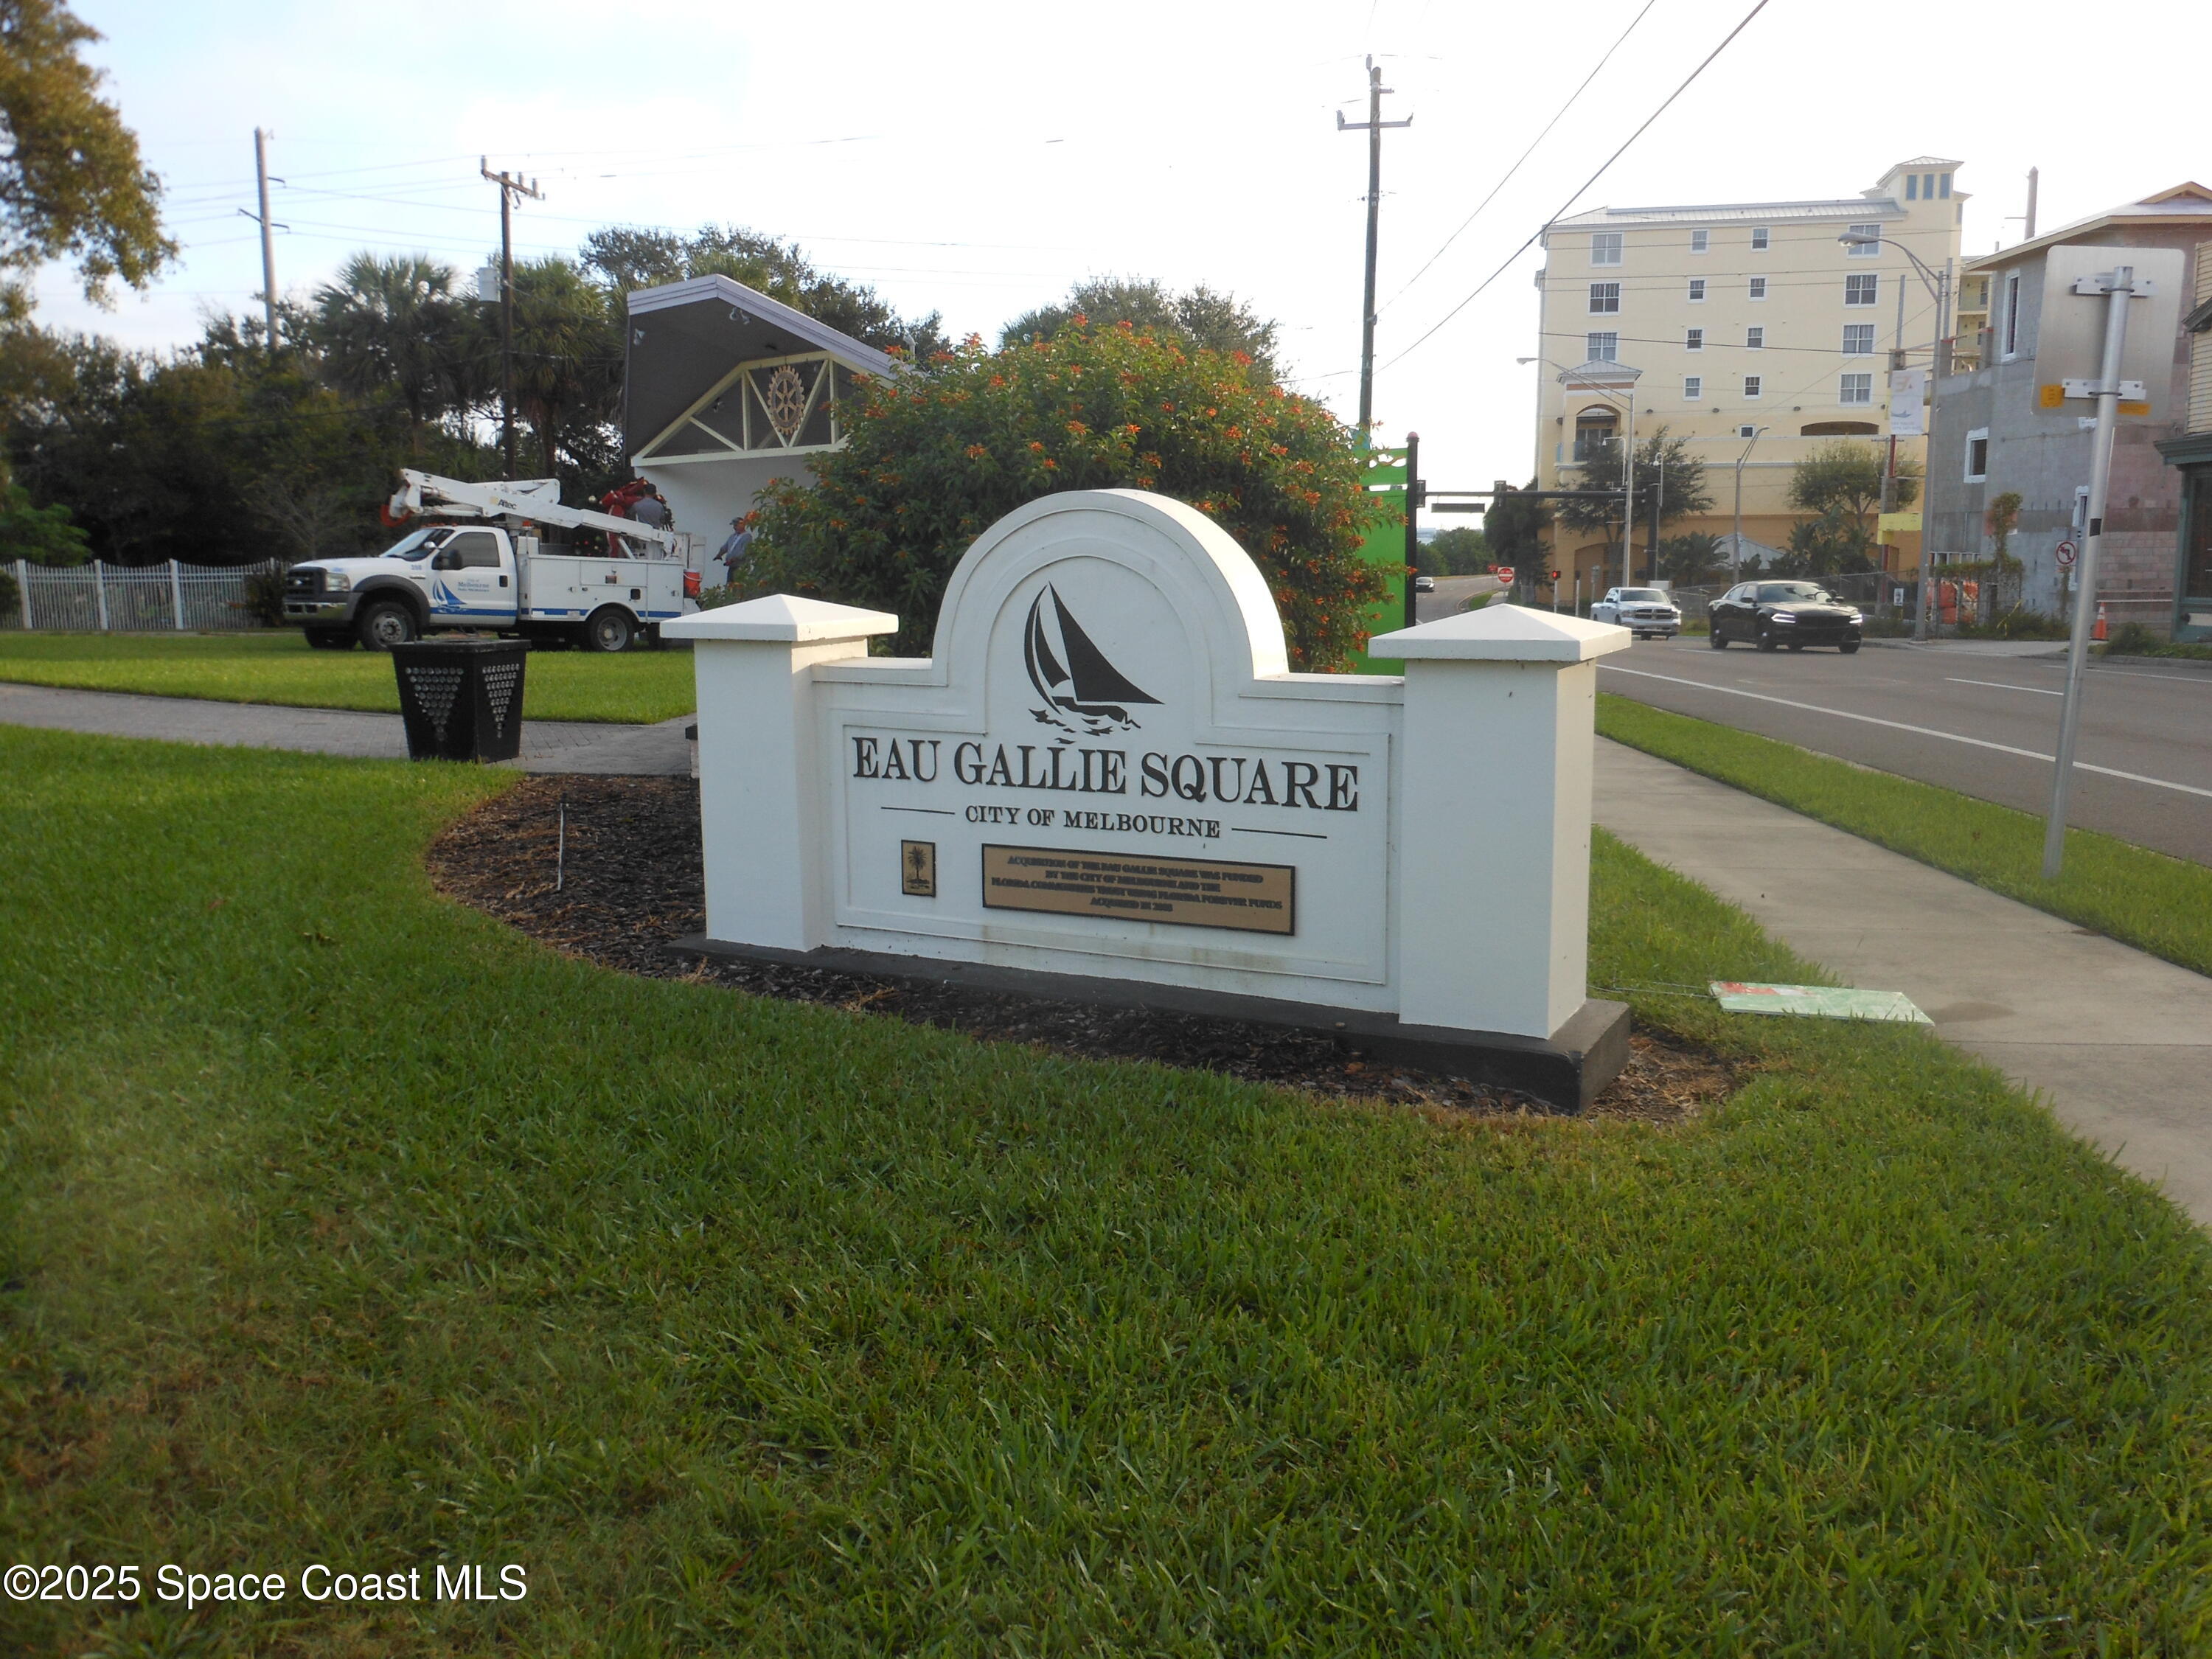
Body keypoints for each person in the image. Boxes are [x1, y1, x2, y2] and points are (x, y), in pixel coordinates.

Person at [716, 518, 753, 585]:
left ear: (742, 525)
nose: (734, 528)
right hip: (732, 566)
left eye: (736, 525)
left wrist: (734, 559)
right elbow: (725, 547)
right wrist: (719, 555)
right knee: (730, 585)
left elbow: (744, 552)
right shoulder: (733, 536)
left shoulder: (747, 537)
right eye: (734, 526)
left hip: (741, 567)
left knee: (738, 585)